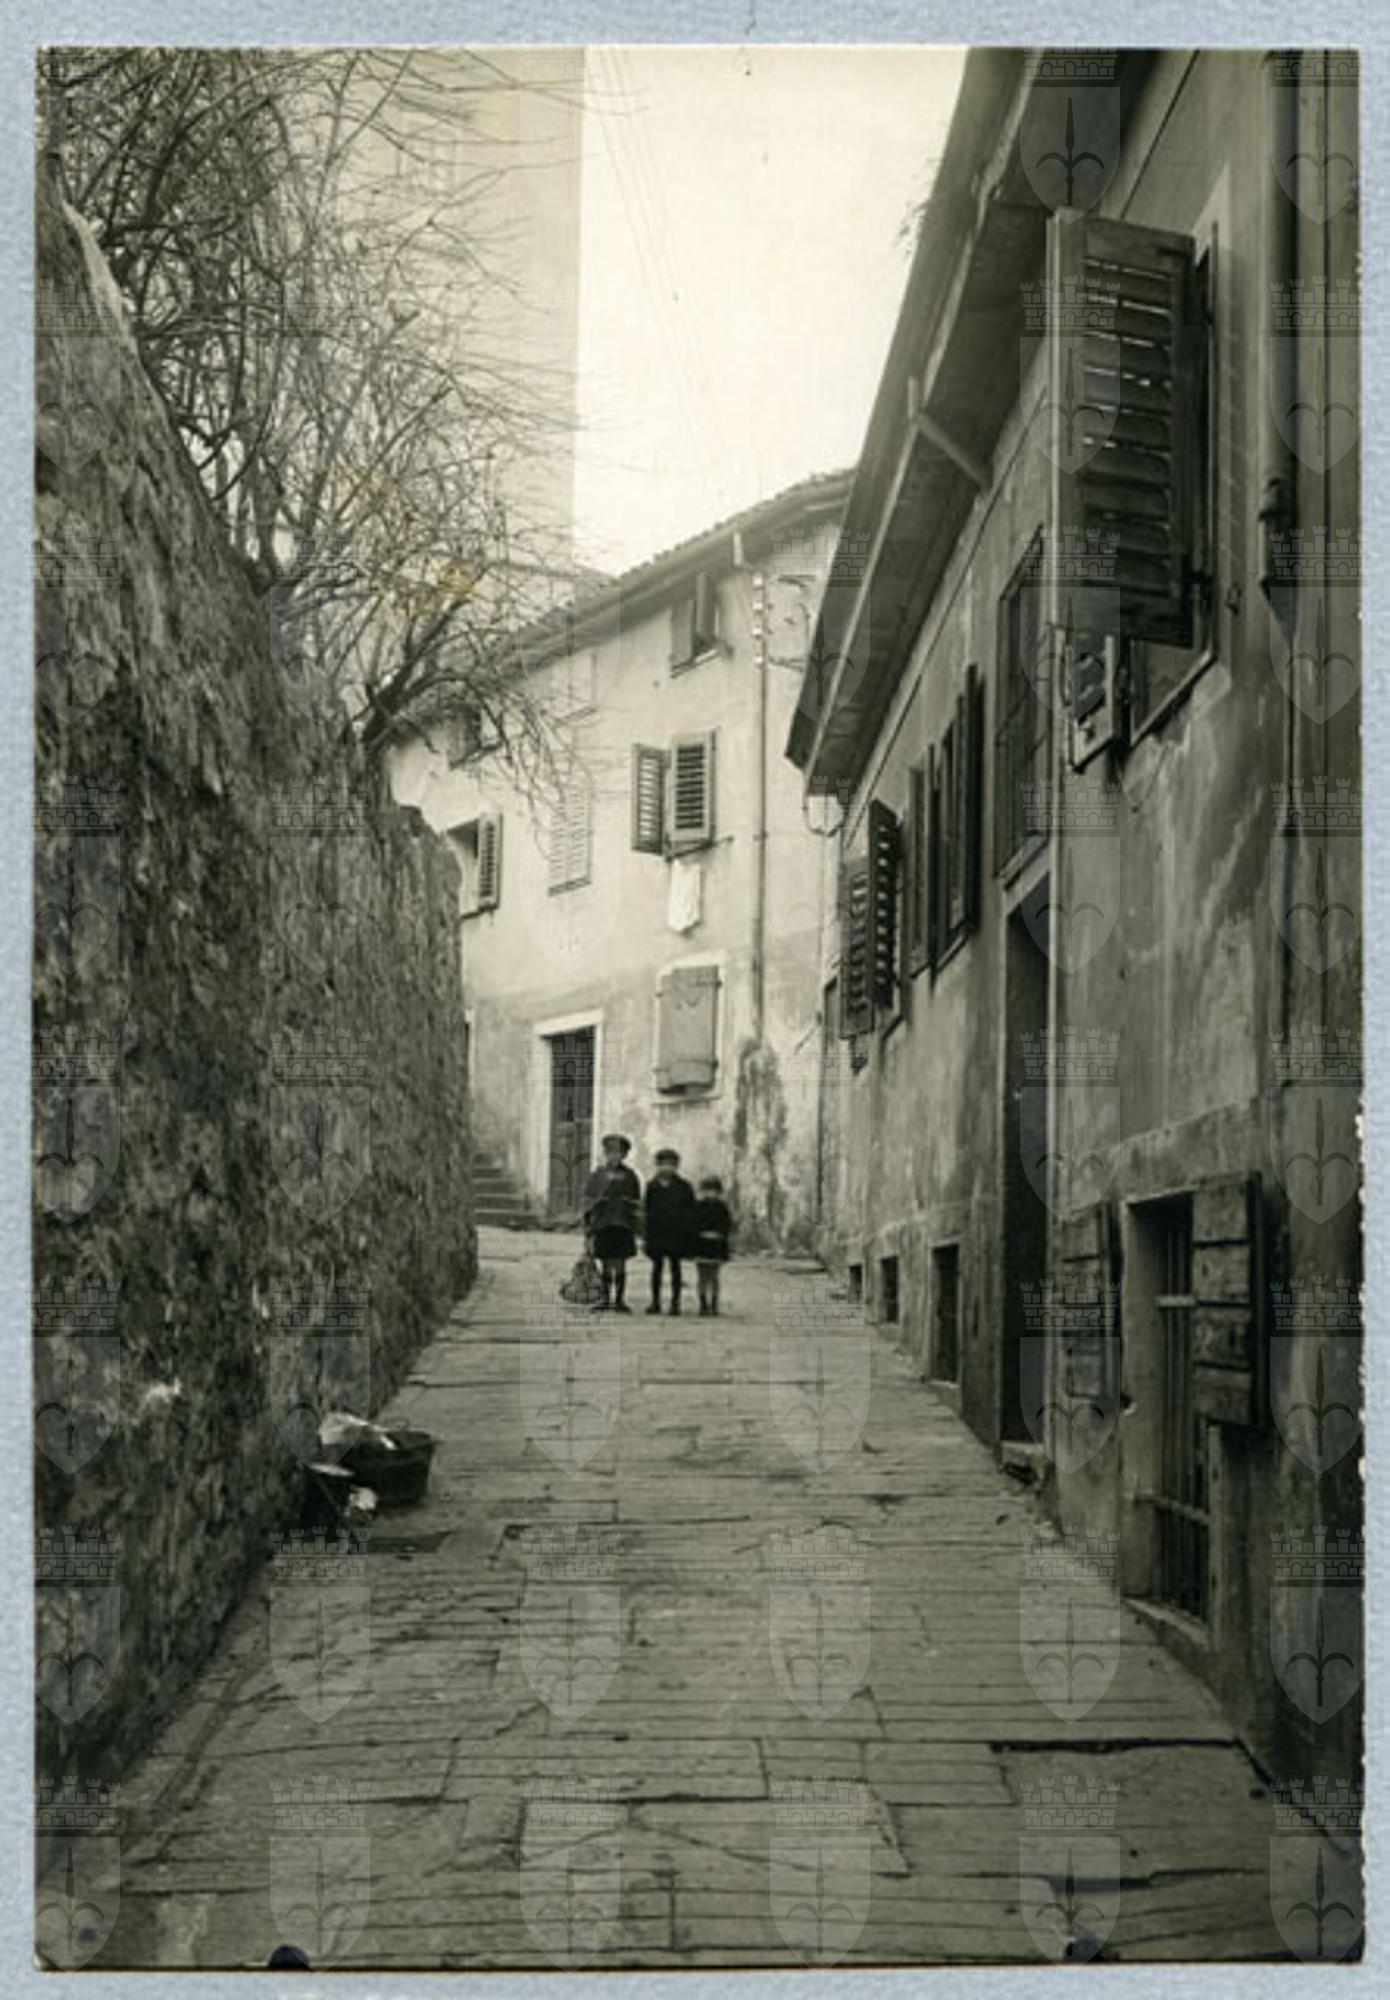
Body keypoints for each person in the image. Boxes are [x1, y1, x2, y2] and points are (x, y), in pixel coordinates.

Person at [580, 1133, 641, 1312]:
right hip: (603, 1224)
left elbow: (636, 1202)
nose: (614, 1156)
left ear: (624, 1155)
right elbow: (588, 1201)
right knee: (605, 1262)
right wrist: (588, 1226)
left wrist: (636, 1225)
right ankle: (605, 1299)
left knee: (620, 1263)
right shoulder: (597, 1175)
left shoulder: (630, 1176)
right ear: (605, 1154)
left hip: (623, 1225)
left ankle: (620, 1300)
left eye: (618, 1153)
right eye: (611, 1152)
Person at [643, 1147, 697, 1315]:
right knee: (656, 1268)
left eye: (671, 1164)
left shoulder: (684, 1187)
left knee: (676, 1268)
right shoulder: (652, 1186)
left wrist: (688, 1232)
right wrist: (646, 1234)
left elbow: (690, 1210)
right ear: (658, 1166)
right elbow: (647, 1210)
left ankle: (675, 1303)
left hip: (676, 1233)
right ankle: (655, 1301)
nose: (667, 1168)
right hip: (657, 1233)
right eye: (663, 1164)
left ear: (676, 1167)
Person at [693, 1175, 734, 1316]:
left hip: (716, 1245)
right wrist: (700, 1233)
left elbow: (727, 1225)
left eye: (713, 1191)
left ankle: (714, 1304)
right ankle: (703, 1303)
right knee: (702, 1276)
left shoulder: (722, 1208)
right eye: (707, 1190)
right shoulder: (698, 1207)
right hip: (701, 1245)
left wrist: (719, 1234)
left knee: (714, 1276)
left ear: (718, 1192)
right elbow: (692, 1224)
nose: (710, 1193)